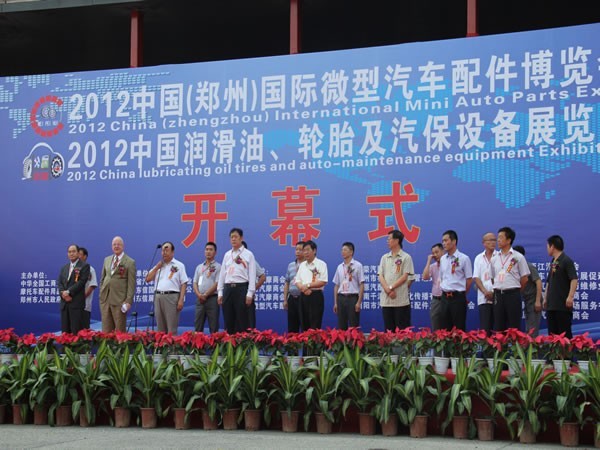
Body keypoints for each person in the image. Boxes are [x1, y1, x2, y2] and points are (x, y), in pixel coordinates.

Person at [489, 227, 530, 331]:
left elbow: (525, 278)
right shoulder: (494, 258)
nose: (498, 240)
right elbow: (492, 278)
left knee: (514, 326)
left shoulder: (518, 257)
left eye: (501, 237)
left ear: (508, 240)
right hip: (498, 295)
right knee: (499, 326)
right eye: (498, 237)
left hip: (513, 295)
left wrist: (516, 291)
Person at [217, 228, 257, 333]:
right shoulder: (227, 255)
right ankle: (230, 342)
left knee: (242, 321)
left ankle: (242, 342)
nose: (233, 239)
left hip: (241, 289)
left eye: (235, 237)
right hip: (228, 289)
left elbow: (252, 275)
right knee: (228, 320)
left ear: (241, 238)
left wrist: (250, 293)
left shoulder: (248, 254)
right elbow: (222, 274)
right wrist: (220, 292)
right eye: (231, 237)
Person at [146, 241, 189, 334]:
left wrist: (181, 300)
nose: (164, 252)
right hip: (158, 297)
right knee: (160, 328)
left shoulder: (179, 265)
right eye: (162, 250)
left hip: (172, 297)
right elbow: (148, 279)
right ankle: (161, 343)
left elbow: (184, 283)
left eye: (167, 250)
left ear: (172, 252)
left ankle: (171, 344)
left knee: (171, 328)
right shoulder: (159, 265)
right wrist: (157, 267)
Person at [378, 230, 415, 331]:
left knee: (402, 331)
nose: (387, 241)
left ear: (397, 240)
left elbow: (405, 276)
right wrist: (388, 290)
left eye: (389, 239)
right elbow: (380, 275)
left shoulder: (406, 257)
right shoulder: (384, 257)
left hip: (401, 301)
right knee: (388, 331)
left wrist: (390, 287)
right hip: (386, 301)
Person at [99, 236, 136, 332]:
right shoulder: (107, 260)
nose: (116, 246)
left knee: (120, 331)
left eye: (118, 244)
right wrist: (101, 292)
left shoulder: (130, 262)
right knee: (106, 331)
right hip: (105, 299)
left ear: (123, 246)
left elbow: (131, 284)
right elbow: (103, 278)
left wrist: (128, 301)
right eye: (114, 244)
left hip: (120, 301)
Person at [543, 235, 578, 338]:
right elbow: (549, 281)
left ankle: (566, 350)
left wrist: (570, 297)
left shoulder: (566, 260)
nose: (547, 249)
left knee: (564, 336)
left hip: (562, 306)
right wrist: (545, 298)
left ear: (552, 246)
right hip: (551, 305)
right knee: (552, 336)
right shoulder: (554, 261)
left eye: (547, 246)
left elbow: (574, 279)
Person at [439, 230, 472, 331]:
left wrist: (461, 293)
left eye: (446, 240)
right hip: (444, 298)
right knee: (444, 329)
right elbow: (442, 277)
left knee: (459, 329)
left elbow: (469, 279)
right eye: (442, 241)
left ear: (454, 241)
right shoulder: (442, 259)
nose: (443, 243)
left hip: (458, 298)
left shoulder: (464, 258)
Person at [57, 244, 91, 334]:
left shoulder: (84, 266)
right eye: (69, 252)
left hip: (76, 304)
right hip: (64, 304)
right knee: (65, 333)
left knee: (76, 332)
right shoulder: (64, 267)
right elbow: (59, 282)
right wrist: (63, 294)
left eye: (73, 251)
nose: (71, 253)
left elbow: (81, 282)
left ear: (78, 253)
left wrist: (69, 292)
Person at [295, 240, 328, 330]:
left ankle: (314, 339)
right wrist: (303, 289)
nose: (305, 252)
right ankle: (305, 339)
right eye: (304, 250)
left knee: (315, 324)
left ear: (314, 251)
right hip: (303, 296)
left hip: (316, 296)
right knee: (304, 323)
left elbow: (323, 281)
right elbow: (297, 280)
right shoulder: (302, 265)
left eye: (308, 250)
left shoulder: (321, 264)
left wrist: (308, 286)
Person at [333, 242, 365, 330]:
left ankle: (353, 340)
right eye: (342, 250)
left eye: (345, 250)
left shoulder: (358, 265)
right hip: (341, 298)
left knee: (353, 325)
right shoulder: (339, 267)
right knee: (341, 325)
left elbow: (361, 284)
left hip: (353, 298)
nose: (342, 252)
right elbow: (336, 285)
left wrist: (359, 302)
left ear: (351, 252)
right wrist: (335, 303)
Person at [513, 245, 542, 337]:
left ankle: (533, 345)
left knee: (532, 327)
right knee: (528, 326)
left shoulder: (528, 266)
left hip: (533, 300)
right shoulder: (515, 267)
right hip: (526, 299)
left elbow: (538, 282)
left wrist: (538, 301)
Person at [193, 242, 221, 334]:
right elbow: (195, 282)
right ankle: (198, 343)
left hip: (212, 299)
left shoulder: (218, 267)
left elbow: (217, 283)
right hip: (200, 299)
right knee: (198, 326)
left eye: (211, 250)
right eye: (206, 249)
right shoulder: (199, 267)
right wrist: (199, 295)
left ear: (215, 252)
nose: (208, 251)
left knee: (213, 327)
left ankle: (214, 343)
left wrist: (205, 294)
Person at [473, 233, 497, 335]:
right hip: (483, 298)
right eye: (490, 240)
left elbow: (502, 277)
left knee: (499, 329)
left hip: (498, 298)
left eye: (494, 240)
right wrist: (485, 292)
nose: (493, 242)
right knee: (485, 330)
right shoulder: (478, 258)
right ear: (484, 243)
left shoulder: (500, 256)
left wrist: (493, 293)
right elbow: (476, 277)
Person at [242, 241, 266, 330]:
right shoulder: (231, 260)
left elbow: (262, 277)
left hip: (247, 295)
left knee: (249, 325)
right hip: (234, 295)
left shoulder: (251, 261)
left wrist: (252, 289)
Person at [283, 241, 305, 332]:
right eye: (296, 249)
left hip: (303, 298)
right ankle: (292, 341)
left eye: (300, 250)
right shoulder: (291, 265)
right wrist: (285, 299)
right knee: (292, 327)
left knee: (304, 325)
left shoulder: (307, 265)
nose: (298, 251)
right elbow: (287, 282)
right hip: (292, 298)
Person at [422, 243, 444, 331]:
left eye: (437, 252)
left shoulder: (450, 264)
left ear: (443, 251)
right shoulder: (432, 266)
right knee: (436, 326)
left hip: (447, 298)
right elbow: (425, 277)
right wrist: (428, 261)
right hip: (436, 300)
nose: (435, 255)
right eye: (433, 253)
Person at [78, 247, 98, 329]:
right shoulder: (72, 269)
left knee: (84, 330)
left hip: (85, 305)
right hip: (73, 306)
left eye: (79, 254)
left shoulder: (90, 269)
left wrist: (81, 298)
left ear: (85, 256)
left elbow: (92, 286)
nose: (77, 256)